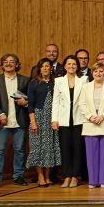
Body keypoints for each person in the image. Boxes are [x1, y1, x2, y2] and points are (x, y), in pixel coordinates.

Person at [0, 53, 30, 188]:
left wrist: (25, 102)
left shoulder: (25, 80)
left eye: (12, 61)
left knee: (19, 150)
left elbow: (30, 99)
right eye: (5, 61)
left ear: (17, 65)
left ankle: (18, 176)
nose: (8, 63)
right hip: (3, 121)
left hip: (20, 120)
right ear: (1, 65)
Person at [79, 61, 104, 188]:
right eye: (96, 71)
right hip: (90, 124)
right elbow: (82, 104)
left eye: (101, 71)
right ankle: (93, 181)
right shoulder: (86, 87)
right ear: (92, 73)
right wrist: (91, 117)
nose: (98, 73)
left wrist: (103, 116)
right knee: (91, 155)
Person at [51, 55, 86, 188]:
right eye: (69, 64)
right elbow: (55, 101)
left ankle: (75, 176)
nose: (71, 66)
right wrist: (54, 119)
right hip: (63, 120)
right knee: (65, 149)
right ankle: (66, 176)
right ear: (64, 66)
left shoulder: (84, 80)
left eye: (74, 64)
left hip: (79, 119)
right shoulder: (58, 81)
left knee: (77, 148)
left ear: (77, 66)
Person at [26, 58, 62, 187]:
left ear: (51, 68)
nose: (46, 68)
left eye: (48, 66)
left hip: (52, 119)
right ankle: (40, 176)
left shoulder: (55, 82)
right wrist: (33, 122)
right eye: (43, 66)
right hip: (38, 118)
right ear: (39, 68)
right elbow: (30, 105)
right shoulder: (34, 83)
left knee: (49, 148)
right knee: (38, 148)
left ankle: (47, 176)